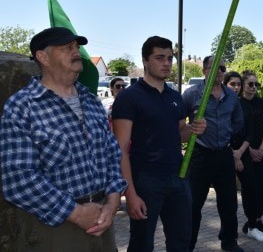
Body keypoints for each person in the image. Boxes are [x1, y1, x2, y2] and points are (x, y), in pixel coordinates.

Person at [0, 27, 127, 251]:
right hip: (53, 227)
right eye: (67, 48)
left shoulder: (91, 100)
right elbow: (18, 179)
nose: (76, 52)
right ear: (43, 57)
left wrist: (114, 198)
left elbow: (111, 154)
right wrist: (75, 213)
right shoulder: (22, 106)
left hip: (102, 220)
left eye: (76, 47)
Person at [112, 36, 206, 252]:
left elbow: (180, 133)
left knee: (182, 240)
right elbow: (120, 149)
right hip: (146, 179)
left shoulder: (174, 96)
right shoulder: (129, 97)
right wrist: (131, 194)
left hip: (179, 177)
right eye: (159, 58)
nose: (166, 63)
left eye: (170, 58)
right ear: (145, 60)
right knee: (142, 243)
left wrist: (194, 129)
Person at [183, 56, 245, 252]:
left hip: (224, 155)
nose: (218, 71)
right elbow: (178, 123)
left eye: (222, 68)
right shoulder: (192, 94)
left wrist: (224, 134)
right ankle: (188, 245)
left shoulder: (232, 96)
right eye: (213, 67)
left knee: (229, 204)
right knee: (193, 205)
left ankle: (229, 242)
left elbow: (237, 122)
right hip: (200, 156)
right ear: (204, 71)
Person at [238, 71, 263, 242]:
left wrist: (262, 148)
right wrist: (250, 150)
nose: (254, 87)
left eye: (256, 84)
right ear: (243, 85)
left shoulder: (261, 102)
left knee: (261, 186)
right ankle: (251, 219)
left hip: (262, 149)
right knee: (249, 187)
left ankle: (258, 218)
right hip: (245, 151)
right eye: (250, 84)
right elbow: (237, 131)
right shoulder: (238, 103)